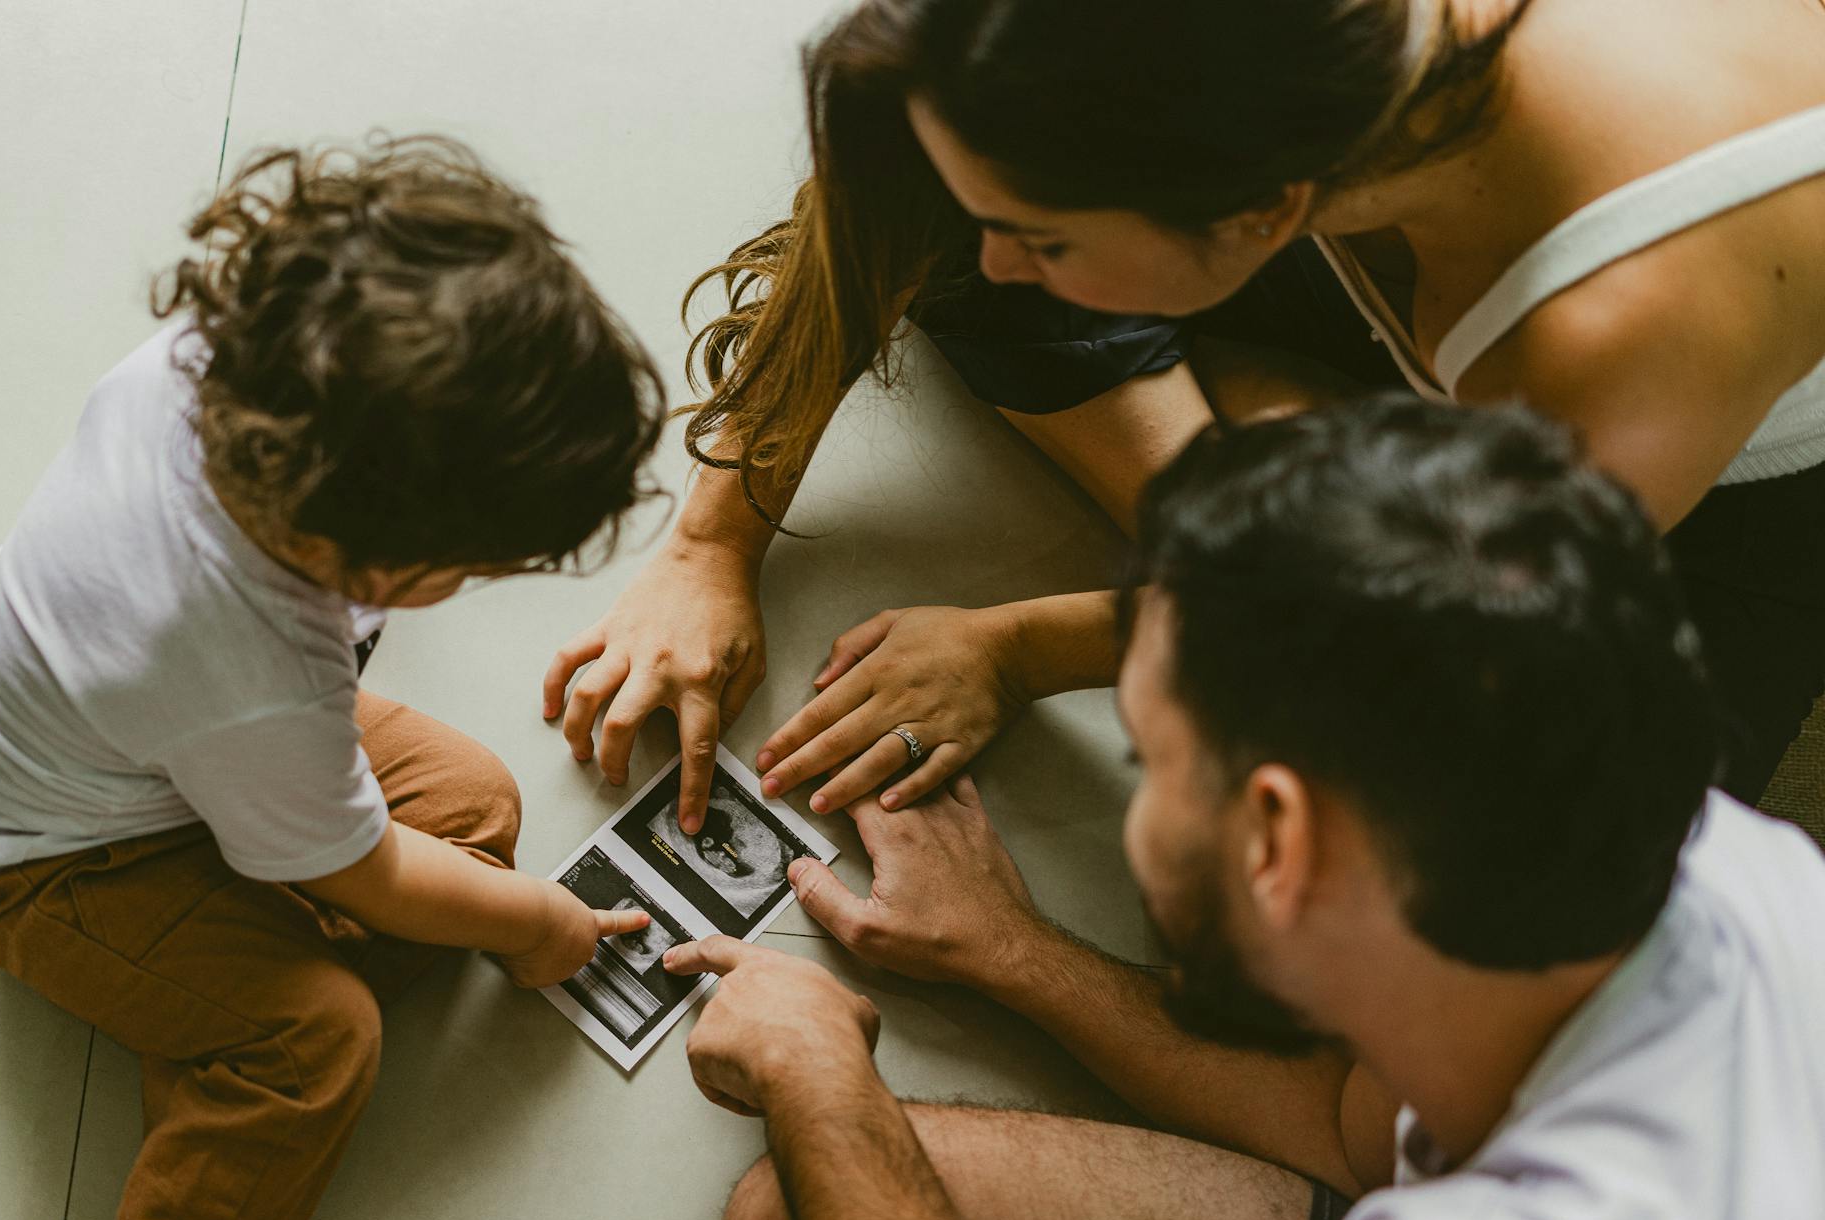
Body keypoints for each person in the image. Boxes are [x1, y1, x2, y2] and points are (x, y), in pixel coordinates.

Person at [544, 0, 1825, 824]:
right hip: (1444, 301)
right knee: (955, 222)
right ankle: (1255, 485)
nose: (997, 258)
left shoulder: (1609, 340)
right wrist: (716, 537)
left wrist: (1014, 650)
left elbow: (1406, 616)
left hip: (1728, 495)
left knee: (1499, 816)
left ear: (1262, 219)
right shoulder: (1281, 96)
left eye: (1038, 237)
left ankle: (1280, 491)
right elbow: (916, 153)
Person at [661, 396, 1825, 1220]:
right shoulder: (1680, 848)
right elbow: (1358, 1130)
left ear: (1274, 833)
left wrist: (818, 1067)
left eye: (1151, 754)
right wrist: (1009, 948)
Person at [0, 137, 662, 1220]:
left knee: (476, 803)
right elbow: (365, 871)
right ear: (355, 550)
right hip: (44, 864)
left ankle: (220, 992)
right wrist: (534, 923)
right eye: (470, 565)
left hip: (145, 742)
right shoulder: (241, 655)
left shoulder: (217, 363)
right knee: (319, 1041)